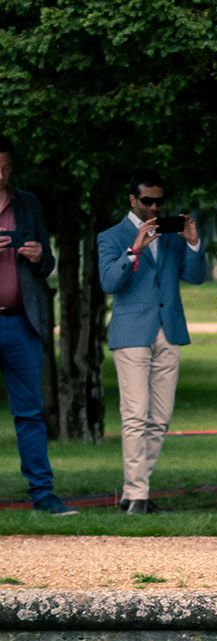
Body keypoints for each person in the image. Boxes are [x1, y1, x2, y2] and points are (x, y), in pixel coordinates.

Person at [96, 170, 206, 514]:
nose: (155, 207)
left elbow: (196, 276)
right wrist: (134, 250)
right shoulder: (112, 236)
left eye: (160, 201)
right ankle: (138, 495)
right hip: (132, 333)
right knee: (135, 415)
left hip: (169, 329)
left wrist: (192, 242)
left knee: (160, 417)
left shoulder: (172, 234)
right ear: (133, 200)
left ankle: (136, 491)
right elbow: (109, 282)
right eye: (148, 201)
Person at [0, 135, 73, 514]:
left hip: (20, 322)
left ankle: (43, 495)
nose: (0, 174)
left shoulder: (27, 204)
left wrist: (39, 255)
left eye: (6, 166)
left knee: (29, 412)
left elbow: (48, 267)